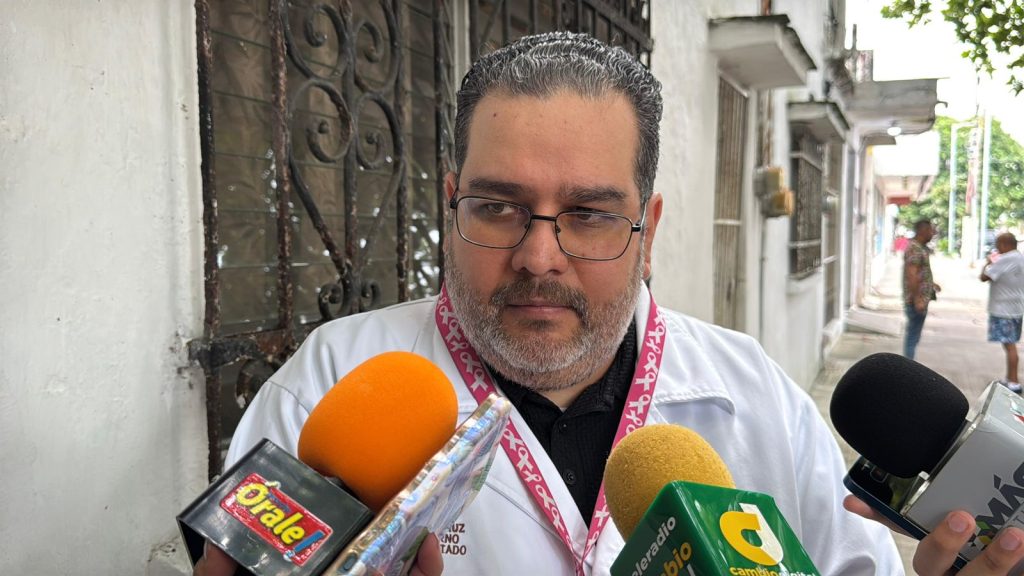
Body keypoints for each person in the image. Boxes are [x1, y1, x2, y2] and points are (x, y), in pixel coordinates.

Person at [195, 33, 1024, 575]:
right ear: (451, 206)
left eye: (589, 214)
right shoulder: (329, 383)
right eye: (498, 207)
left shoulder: (753, 393)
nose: (538, 256)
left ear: (647, 229)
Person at [980, 232, 1024, 393]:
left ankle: (1014, 382)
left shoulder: (1006, 259)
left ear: (1005, 244)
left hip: (1004, 309)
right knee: (1009, 344)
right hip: (1015, 308)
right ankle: (1010, 378)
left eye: (998, 243)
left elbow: (984, 277)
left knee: (1009, 345)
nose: (997, 247)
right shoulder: (1019, 257)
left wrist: (987, 262)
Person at [903, 219, 941, 360]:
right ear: (923, 231)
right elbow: (912, 275)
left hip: (920, 299)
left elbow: (919, 273)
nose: (933, 234)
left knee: (914, 336)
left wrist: (931, 284)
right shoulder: (915, 248)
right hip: (916, 301)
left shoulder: (919, 248)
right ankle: (907, 366)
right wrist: (917, 299)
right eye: (931, 230)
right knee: (912, 337)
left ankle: (908, 364)